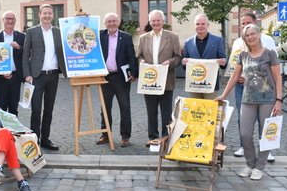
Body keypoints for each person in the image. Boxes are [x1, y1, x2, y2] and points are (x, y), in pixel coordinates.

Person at [215, 24, 282, 180]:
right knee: (245, 133)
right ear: (244, 38)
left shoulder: (270, 53)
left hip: (268, 99)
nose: (250, 37)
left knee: (266, 135)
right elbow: (233, 77)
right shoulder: (243, 55)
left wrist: (279, 100)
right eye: (247, 35)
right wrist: (223, 95)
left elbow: (278, 78)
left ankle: (259, 167)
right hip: (248, 99)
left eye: (253, 34)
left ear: (258, 35)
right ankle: (250, 164)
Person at [232, 13, 277, 161]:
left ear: (255, 23)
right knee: (243, 118)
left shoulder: (267, 40)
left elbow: (272, 67)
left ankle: (265, 149)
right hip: (242, 86)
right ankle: (243, 146)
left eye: (248, 23)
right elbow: (235, 66)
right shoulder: (238, 42)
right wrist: (240, 77)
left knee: (264, 120)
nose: (245, 26)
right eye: (242, 24)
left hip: (264, 89)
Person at [22, 4, 67, 150]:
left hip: (53, 76)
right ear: (39, 15)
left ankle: (45, 139)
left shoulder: (58, 32)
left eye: (50, 13)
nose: (47, 15)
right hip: (36, 77)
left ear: (53, 15)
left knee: (49, 109)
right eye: (44, 13)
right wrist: (27, 74)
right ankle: (35, 139)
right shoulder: (32, 32)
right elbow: (25, 55)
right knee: (36, 109)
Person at [136, 10, 181, 148]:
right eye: (153, 21)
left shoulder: (172, 37)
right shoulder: (143, 38)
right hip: (149, 81)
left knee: (166, 112)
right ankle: (153, 138)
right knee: (151, 111)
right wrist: (141, 62)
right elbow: (139, 56)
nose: (155, 23)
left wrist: (170, 62)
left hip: (166, 79)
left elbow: (178, 57)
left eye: (158, 20)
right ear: (149, 22)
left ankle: (166, 138)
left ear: (163, 21)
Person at [96, 13, 138, 147]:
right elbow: (86, 31)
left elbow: (131, 56)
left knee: (125, 107)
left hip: (121, 77)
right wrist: (82, 17)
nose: (111, 23)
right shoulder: (100, 36)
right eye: (108, 21)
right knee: (105, 107)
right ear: (105, 23)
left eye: (114, 21)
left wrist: (134, 72)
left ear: (118, 22)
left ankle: (125, 136)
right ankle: (105, 134)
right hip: (105, 77)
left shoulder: (125, 37)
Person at [182, 14, 227, 99]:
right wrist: (183, 62)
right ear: (194, 25)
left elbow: (223, 59)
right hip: (194, 84)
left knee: (209, 110)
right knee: (196, 110)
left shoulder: (217, 40)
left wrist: (224, 62)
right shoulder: (188, 42)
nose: (200, 26)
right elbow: (184, 61)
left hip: (211, 85)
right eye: (197, 24)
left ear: (208, 25)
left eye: (203, 24)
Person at [0, 11, 25, 116]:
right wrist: (0, 72)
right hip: (0, 77)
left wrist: (18, 47)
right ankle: (2, 131)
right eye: (7, 18)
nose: (10, 21)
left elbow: (27, 53)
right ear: (3, 20)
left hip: (15, 77)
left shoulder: (21, 36)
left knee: (13, 107)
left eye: (12, 19)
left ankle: (13, 130)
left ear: (15, 21)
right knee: (1, 107)